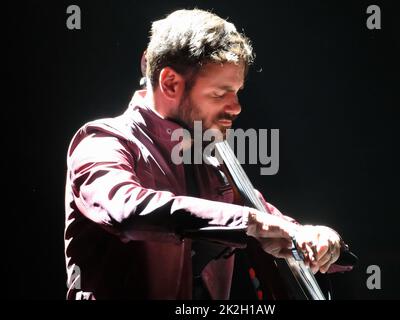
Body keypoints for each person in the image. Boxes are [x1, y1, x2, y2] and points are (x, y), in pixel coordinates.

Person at [64, 9, 353, 300]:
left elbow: (275, 225)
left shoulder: (210, 164)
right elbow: (128, 210)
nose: (236, 107)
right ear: (170, 83)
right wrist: (254, 224)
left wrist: (318, 239)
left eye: (237, 92)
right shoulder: (101, 141)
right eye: (219, 93)